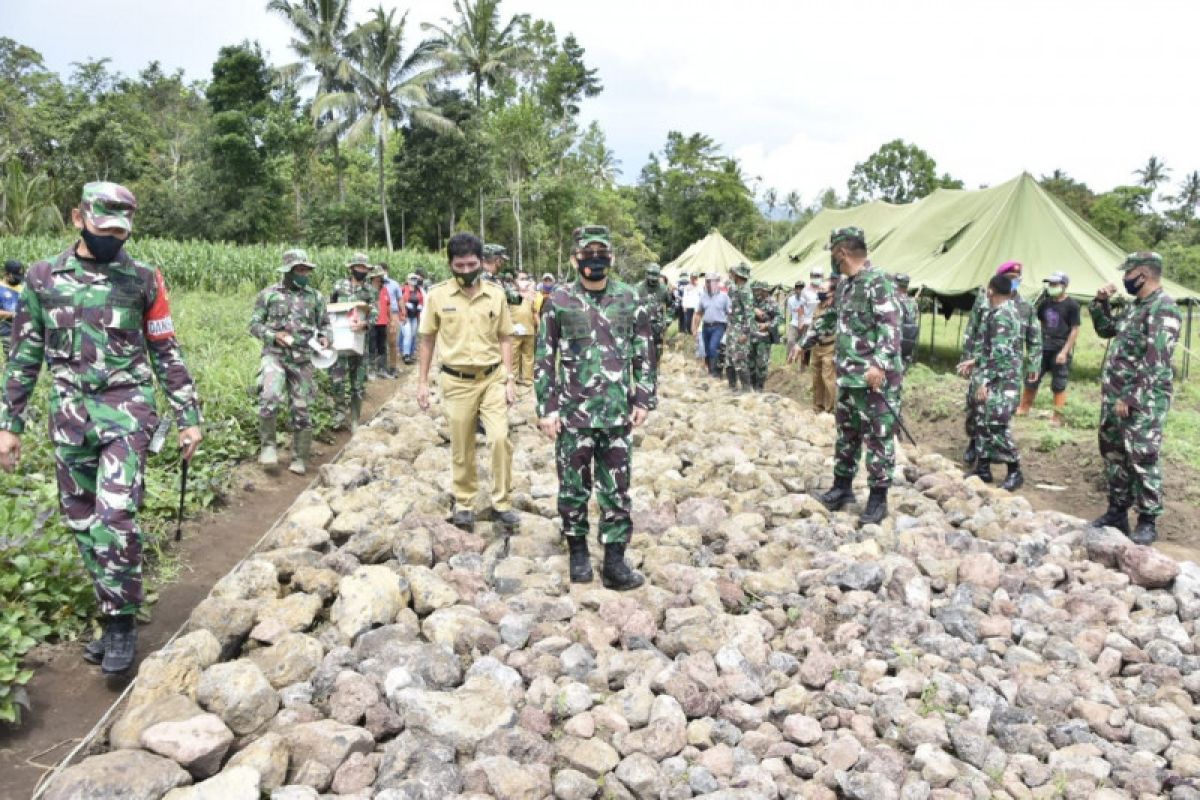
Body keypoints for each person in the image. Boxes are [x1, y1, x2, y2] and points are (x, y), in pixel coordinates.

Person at [0, 182, 202, 675]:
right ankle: (113, 604)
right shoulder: (43, 279)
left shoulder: (143, 280)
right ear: (78, 218)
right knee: (82, 521)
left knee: (115, 517)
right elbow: (23, 357)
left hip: (126, 410)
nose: (113, 237)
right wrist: (10, 425)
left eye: (121, 230)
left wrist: (188, 417)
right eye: (103, 227)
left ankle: (121, 623)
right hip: (69, 417)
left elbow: (165, 351)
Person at [535, 224, 656, 590]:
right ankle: (578, 552)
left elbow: (644, 349)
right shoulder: (558, 301)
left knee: (616, 488)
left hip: (618, 412)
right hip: (573, 414)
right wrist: (546, 408)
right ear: (575, 259)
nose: (595, 259)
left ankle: (615, 560)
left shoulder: (630, 299)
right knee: (573, 487)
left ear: (612, 257)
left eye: (601, 252)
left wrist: (645, 396)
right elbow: (544, 356)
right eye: (588, 254)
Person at [417, 233, 518, 533]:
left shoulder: (496, 294)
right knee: (462, 444)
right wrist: (422, 382)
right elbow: (427, 339)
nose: (465, 271)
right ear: (450, 264)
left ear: (481, 263)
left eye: (471, 264)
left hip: (491, 378)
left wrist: (510, 377)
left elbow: (505, 337)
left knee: (499, 438)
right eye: (458, 265)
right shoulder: (437, 296)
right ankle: (464, 503)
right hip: (456, 380)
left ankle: (502, 503)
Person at [1089, 251, 1182, 545]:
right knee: (1114, 453)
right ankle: (1117, 511)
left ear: (1142, 273)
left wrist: (1131, 396)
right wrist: (1100, 303)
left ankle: (1147, 520)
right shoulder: (1136, 307)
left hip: (1143, 400)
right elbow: (1107, 329)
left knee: (1142, 457)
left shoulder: (1164, 308)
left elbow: (1157, 359)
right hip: (1116, 397)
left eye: (1127, 273)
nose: (1124, 279)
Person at [816, 227, 903, 525]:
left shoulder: (878, 282)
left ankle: (878, 500)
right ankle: (842, 489)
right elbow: (832, 317)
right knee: (847, 435)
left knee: (878, 439)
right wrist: (805, 340)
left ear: (841, 252)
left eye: (832, 252)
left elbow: (890, 327)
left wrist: (879, 364)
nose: (831, 258)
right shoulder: (846, 285)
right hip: (849, 377)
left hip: (874, 379)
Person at [249, 249, 332, 475]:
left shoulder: (315, 297)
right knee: (269, 396)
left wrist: (326, 338)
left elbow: (325, 324)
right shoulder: (269, 295)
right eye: (300, 269)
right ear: (288, 270)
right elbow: (254, 325)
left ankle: (300, 457)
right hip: (274, 355)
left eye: (307, 270)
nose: (304, 273)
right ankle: (267, 447)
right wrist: (273, 335)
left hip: (303, 360)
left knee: (302, 409)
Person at [960, 260, 1040, 466]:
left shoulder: (1024, 307)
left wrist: (1033, 364)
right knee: (975, 407)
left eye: (1016, 279)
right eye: (1009, 279)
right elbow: (972, 330)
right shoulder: (984, 302)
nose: (1014, 282)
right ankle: (975, 445)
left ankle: (991, 461)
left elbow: (1033, 337)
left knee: (993, 412)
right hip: (982, 360)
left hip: (1001, 367)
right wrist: (969, 358)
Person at [965, 274, 1025, 490]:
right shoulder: (999, 312)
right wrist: (976, 360)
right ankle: (982, 469)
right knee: (982, 421)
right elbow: (994, 350)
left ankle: (1014, 469)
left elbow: (1000, 355)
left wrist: (985, 382)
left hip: (1002, 381)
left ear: (991, 290)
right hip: (995, 376)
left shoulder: (1002, 316)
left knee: (996, 424)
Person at [1019, 271, 1080, 426]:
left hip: (1060, 347)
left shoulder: (1072, 305)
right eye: (1050, 284)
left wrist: (1065, 351)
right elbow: (1038, 322)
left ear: (1064, 286)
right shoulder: (1045, 303)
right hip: (1043, 346)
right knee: (1032, 377)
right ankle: (1024, 408)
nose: (1052, 287)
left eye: (1055, 284)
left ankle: (1057, 416)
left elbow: (1074, 330)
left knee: (1059, 383)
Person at [329, 253, 376, 430]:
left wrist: (365, 323)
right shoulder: (339, 286)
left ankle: (355, 418)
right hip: (339, 343)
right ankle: (339, 413)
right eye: (359, 267)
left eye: (365, 268)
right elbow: (330, 308)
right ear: (351, 268)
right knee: (337, 380)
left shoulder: (370, 291)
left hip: (359, 342)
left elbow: (374, 313)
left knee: (358, 382)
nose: (362, 271)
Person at [797, 278, 837, 413]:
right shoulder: (818, 305)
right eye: (819, 289)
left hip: (830, 348)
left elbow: (819, 328)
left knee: (828, 379)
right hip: (817, 348)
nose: (819, 292)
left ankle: (830, 410)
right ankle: (817, 408)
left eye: (823, 290)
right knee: (816, 379)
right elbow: (812, 327)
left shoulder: (835, 308)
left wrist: (801, 345)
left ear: (832, 292)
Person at [723, 262, 755, 392]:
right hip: (732, 328)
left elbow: (750, 314)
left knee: (740, 358)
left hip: (740, 329)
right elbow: (728, 284)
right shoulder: (736, 287)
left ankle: (747, 389)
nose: (732, 275)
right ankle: (732, 386)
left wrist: (745, 333)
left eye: (734, 274)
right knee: (729, 358)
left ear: (739, 275)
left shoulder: (746, 291)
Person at [694, 273, 731, 376]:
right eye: (708, 281)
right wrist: (694, 328)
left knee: (713, 347)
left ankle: (715, 373)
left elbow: (730, 313)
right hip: (706, 326)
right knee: (706, 350)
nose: (710, 284)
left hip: (719, 326)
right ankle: (711, 371)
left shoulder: (724, 297)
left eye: (712, 281)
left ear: (717, 283)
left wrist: (730, 328)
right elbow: (698, 313)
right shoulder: (703, 297)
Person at [636, 263, 671, 363]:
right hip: (641, 326)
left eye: (655, 278)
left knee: (657, 353)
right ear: (646, 275)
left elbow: (672, 305)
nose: (652, 281)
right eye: (650, 278)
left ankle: (654, 372)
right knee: (641, 353)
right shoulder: (638, 288)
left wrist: (668, 319)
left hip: (657, 327)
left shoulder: (664, 289)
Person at [749, 280, 779, 391]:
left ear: (763, 291)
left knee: (761, 363)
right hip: (751, 335)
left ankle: (759, 388)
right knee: (750, 362)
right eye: (754, 290)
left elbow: (778, 318)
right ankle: (752, 386)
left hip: (764, 337)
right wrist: (754, 310)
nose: (756, 292)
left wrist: (767, 325)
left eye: (758, 290)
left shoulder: (771, 302)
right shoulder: (752, 302)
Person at [510, 270, 539, 385]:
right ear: (515, 281)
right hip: (514, 331)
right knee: (513, 356)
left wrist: (540, 326)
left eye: (525, 278)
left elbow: (535, 312)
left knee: (529, 356)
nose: (524, 281)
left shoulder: (531, 295)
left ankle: (528, 379)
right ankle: (513, 378)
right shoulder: (510, 294)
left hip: (529, 331)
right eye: (521, 279)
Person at [369, 266, 394, 378]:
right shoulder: (367, 290)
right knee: (371, 346)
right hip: (371, 323)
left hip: (382, 322)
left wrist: (391, 321)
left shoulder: (384, 290)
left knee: (382, 347)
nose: (380, 280)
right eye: (378, 278)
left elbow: (389, 306)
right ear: (373, 278)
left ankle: (382, 368)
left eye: (380, 278)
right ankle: (371, 370)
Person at [894, 274, 920, 371]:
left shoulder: (892, 300)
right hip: (907, 344)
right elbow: (915, 320)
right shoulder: (913, 303)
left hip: (893, 343)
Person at [380, 263, 403, 375]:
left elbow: (400, 299)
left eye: (384, 270)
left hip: (393, 313)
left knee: (393, 341)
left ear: (387, 271)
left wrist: (403, 313)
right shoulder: (375, 284)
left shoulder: (394, 284)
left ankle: (393, 366)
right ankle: (381, 367)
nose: (382, 273)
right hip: (379, 313)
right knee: (380, 342)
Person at [399, 273, 424, 365]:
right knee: (407, 335)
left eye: (415, 279)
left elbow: (421, 300)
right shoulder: (402, 289)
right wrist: (405, 304)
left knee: (412, 335)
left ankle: (409, 353)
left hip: (414, 316)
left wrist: (420, 305)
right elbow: (399, 300)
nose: (414, 280)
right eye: (412, 278)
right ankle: (406, 355)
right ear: (408, 280)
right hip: (405, 316)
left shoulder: (418, 290)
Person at [0, 260, 24, 352]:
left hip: (23, 334)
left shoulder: (22, 288)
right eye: (15, 277)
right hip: (6, 333)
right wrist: (13, 314)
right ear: (6, 274)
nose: (18, 279)